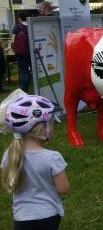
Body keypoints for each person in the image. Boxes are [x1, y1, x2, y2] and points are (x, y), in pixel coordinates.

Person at [1, 95, 70, 230]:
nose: (52, 127)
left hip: (21, 218)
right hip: (48, 216)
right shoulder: (52, 157)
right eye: (50, 124)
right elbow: (64, 189)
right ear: (41, 129)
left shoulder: (9, 154)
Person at [11, 11, 31, 93]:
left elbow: (12, 41)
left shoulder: (17, 27)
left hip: (20, 53)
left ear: (19, 17)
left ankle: (24, 90)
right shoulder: (31, 25)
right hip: (31, 53)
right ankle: (30, 86)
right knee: (30, 70)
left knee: (24, 71)